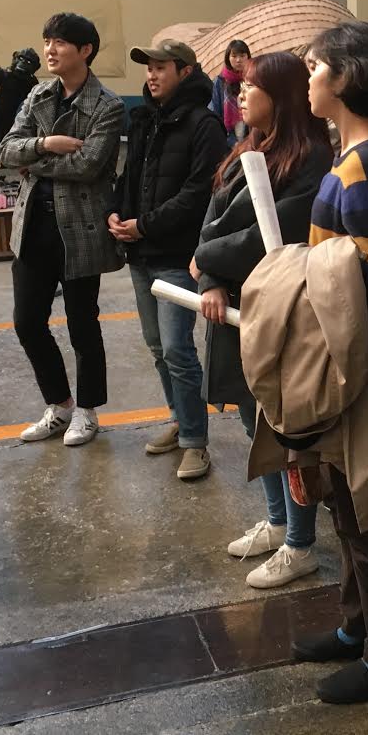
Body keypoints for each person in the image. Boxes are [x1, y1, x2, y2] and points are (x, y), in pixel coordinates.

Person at [288, 21, 368, 705]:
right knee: (344, 497)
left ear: (345, 78)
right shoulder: (361, 156)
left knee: (366, 510)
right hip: (351, 347)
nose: (308, 79)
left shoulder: (363, 166)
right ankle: (357, 624)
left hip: (361, 353)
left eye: (315, 67)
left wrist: (299, 271)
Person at [193, 51, 332, 581]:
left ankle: (300, 542)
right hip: (235, 303)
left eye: (253, 86)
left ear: (284, 96)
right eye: (241, 86)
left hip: (279, 309)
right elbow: (211, 221)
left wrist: (206, 259)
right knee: (254, 419)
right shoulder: (246, 149)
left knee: (285, 426)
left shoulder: (311, 159)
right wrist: (209, 277)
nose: (240, 94)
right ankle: (277, 521)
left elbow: (273, 237)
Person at [2, 13, 125, 449]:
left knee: (82, 324)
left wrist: (33, 163)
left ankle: (87, 411)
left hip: (80, 229)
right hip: (33, 224)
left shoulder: (107, 106)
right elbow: (7, 149)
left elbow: (89, 165)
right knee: (27, 322)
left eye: (59, 42)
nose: (49, 50)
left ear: (85, 50)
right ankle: (59, 405)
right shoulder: (39, 94)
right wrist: (46, 144)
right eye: (47, 41)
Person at [110, 38, 228, 480]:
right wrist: (116, 212)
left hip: (178, 255)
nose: (152, 75)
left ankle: (196, 442)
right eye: (148, 67)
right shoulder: (144, 119)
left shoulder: (204, 125)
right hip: (141, 253)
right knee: (158, 347)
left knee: (178, 349)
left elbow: (199, 194)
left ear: (185, 71)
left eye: (161, 67)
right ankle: (180, 420)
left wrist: (145, 225)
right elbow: (129, 176)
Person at [209, 39, 251, 144]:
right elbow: (214, 114)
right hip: (228, 140)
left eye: (242, 56)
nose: (238, 60)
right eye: (234, 56)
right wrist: (230, 142)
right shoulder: (220, 82)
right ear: (228, 58)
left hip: (251, 138)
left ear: (248, 57)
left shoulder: (253, 78)